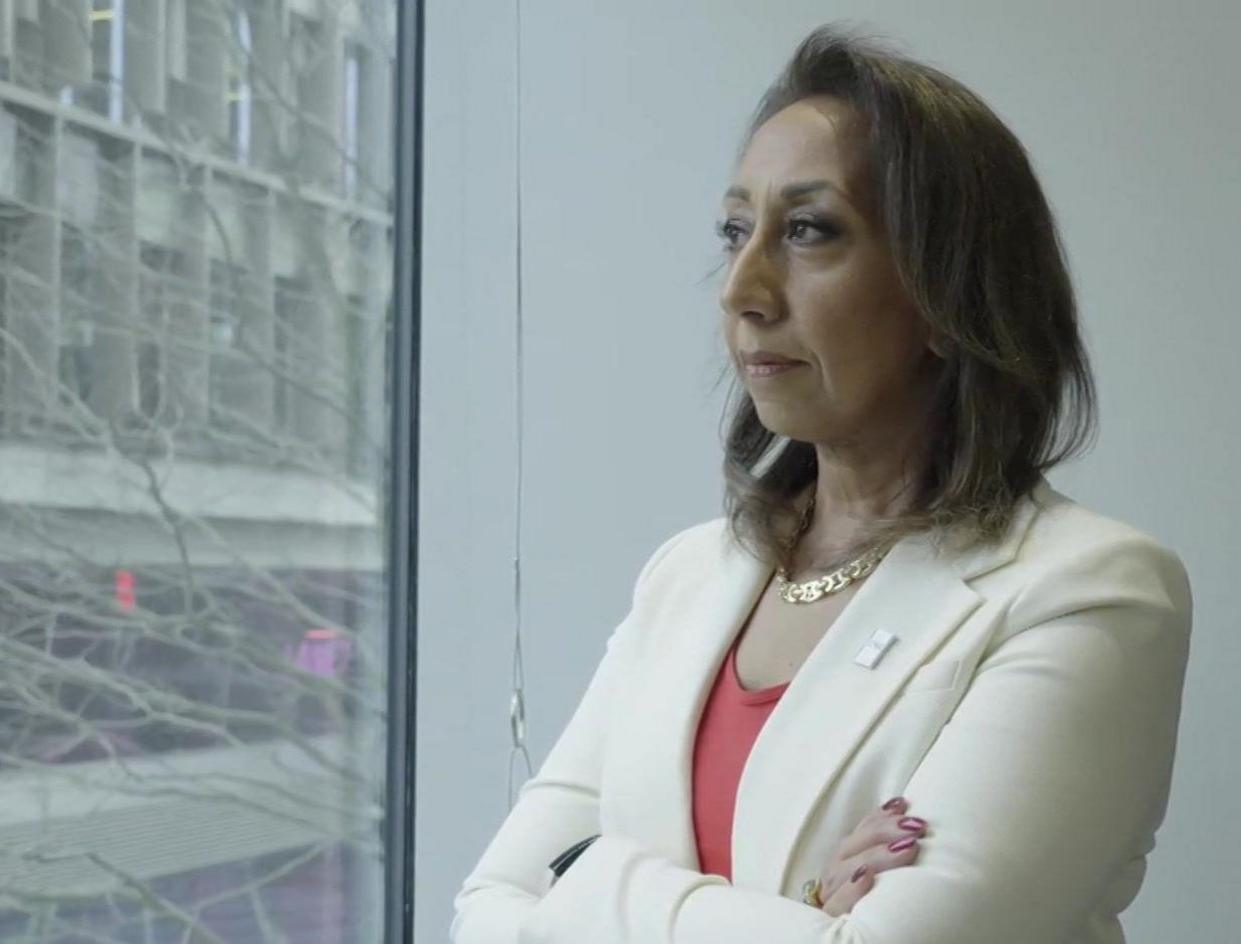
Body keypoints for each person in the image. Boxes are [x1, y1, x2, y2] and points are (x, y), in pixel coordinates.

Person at [452, 21, 1193, 944]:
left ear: (946, 292)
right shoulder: (687, 575)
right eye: (735, 231)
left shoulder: (1089, 591)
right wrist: (805, 912)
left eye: (808, 230)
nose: (742, 287)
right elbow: (486, 913)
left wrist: (589, 882)